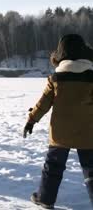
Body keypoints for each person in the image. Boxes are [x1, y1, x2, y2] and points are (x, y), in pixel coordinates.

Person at [23, 34, 93, 209]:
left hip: (60, 133)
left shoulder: (55, 79)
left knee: (53, 167)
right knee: (91, 170)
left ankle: (45, 199)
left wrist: (31, 120)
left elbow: (43, 104)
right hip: (88, 132)